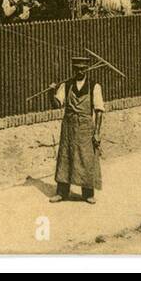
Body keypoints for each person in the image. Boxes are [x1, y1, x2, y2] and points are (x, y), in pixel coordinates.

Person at [50, 57, 104, 204]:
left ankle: (87, 194)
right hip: (68, 126)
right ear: (73, 69)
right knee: (65, 157)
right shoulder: (66, 85)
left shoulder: (94, 86)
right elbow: (57, 105)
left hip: (86, 127)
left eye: (82, 69)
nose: (80, 71)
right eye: (77, 69)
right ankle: (62, 192)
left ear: (86, 69)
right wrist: (52, 92)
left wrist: (97, 133)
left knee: (86, 159)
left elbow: (99, 111)